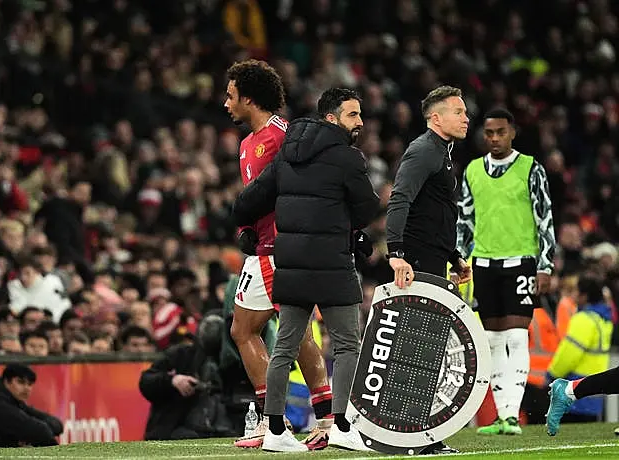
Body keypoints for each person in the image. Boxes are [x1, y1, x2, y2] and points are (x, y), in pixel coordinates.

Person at [233, 87, 380, 452]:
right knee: (347, 344)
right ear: (332, 118)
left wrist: (249, 229)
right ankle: (342, 425)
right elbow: (366, 210)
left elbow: (247, 202)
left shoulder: (286, 154)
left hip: (291, 262)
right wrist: (345, 224)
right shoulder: (348, 158)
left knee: (284, 347)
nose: (359, 122)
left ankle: (275, 432)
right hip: (332, 263)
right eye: (353, 115)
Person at [224, 59, 332, 450]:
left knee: (253, 330)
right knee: (287, 332)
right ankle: (319, 421)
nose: (226, 103)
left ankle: (276, 424)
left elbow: (303, 188)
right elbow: (256, 201)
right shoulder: (247, 143)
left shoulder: (282, 137)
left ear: (249, 99)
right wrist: (246, 230)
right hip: (266, 248)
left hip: (279, 250)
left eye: (231, 95)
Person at [455, 108, 557, 435]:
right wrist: (460, 259)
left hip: (521, 261)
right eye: (489, 133)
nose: (495, 138)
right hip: (484, 262)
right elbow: (465, 221)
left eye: (501, 132)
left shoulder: (531, 168)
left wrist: (545, 264)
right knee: (492, 340)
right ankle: (502, 416)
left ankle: (513, 413)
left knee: (516, 335)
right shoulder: (472, 170)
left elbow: (545, 218)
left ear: (512, 132)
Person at [385, 85, 471, 455]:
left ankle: (418, 433)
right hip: (416, 260)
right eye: (457, 111)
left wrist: (454, 256)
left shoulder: (443, 153)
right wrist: (395, 252)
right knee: (418, 348)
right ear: (436, 118)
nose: (466, 118)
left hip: (431, 257)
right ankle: (413, 434)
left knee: (427, 348)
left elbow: (431, 212)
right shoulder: (423, 151)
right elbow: (400, 198)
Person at [545, 274, 613, 436]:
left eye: (576, 291)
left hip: (576, 386)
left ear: (584, 295)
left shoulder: (583, 319)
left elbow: (569, 354)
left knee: (568, 437)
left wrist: (552, 374)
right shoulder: (604, 319)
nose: (573, 295)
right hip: (596, 393)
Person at [0, 364, 63, 447]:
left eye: (30, 384)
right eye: (20, 382)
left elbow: (55, 424)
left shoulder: (15, 401)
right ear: (7, 382)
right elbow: (38, 431)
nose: (26, 388)